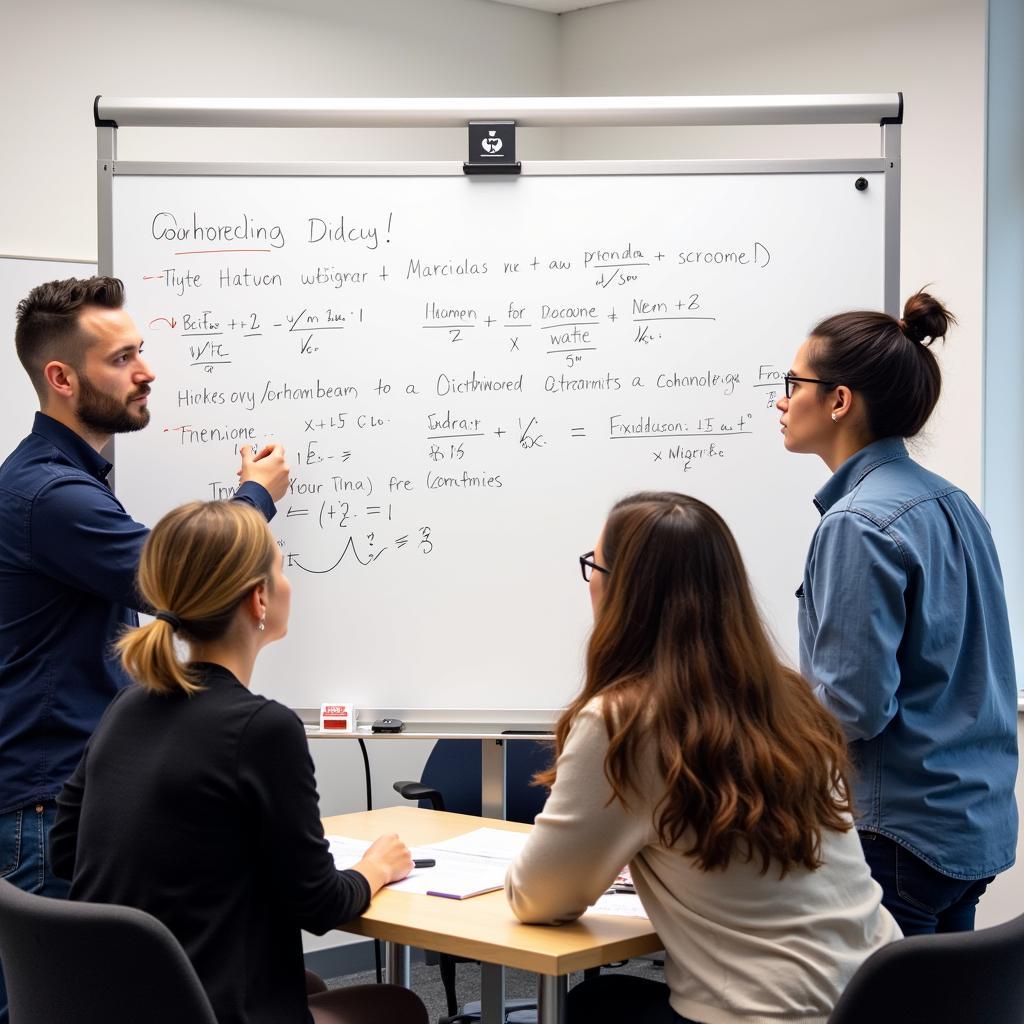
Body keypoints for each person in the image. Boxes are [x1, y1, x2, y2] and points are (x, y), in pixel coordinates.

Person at [0, 276, 288, 1020]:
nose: (147, 370)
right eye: (123, 357)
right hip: (39, 808)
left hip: (49, 798)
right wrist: (254, 497)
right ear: (62, 379)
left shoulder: (62, 482)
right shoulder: (51, 497)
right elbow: (186, 587)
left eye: (142, 351)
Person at [506, 493, 900, 1024]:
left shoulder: (622, 721)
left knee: (592, 1007)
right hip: (877, 998)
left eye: (594, 565)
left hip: (770, 1013)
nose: (591, 581)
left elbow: (539, 898)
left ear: (624, 593)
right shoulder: (788, 698)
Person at [50, 500, 426, 1024]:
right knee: (396, 1006)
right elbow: (319, 906)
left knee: (308, 983)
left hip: (119, 999)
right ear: (259, 601)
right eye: (281, 567)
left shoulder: (126, 704)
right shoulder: (263, 729)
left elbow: (65, 854)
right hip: (207, 1006)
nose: (288, 582)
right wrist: (374, 869)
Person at [776, 290, 1018, 935]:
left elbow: (853, 706)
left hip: (897, 837)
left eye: (792, 382)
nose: (780, 399)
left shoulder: (857, 523)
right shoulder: (953, 502)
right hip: (970, 825)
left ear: (839, 400)